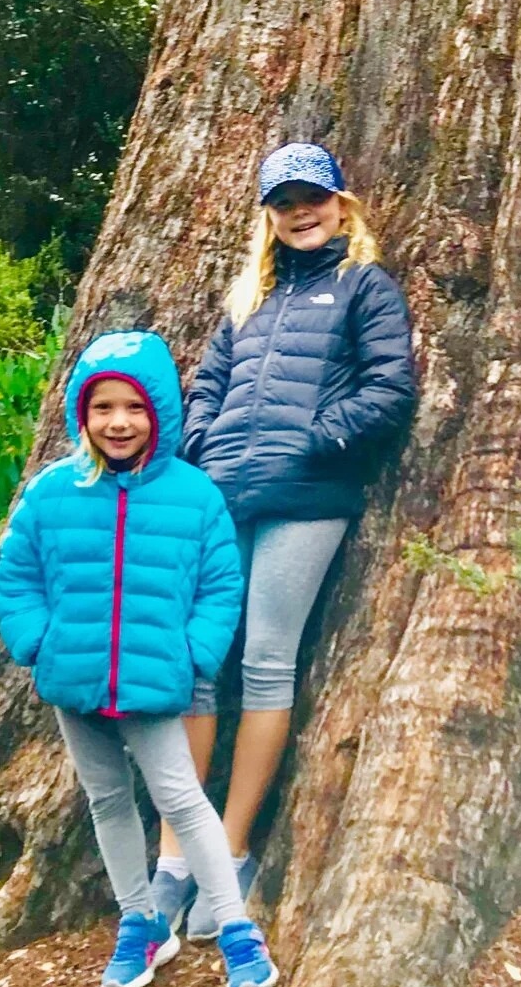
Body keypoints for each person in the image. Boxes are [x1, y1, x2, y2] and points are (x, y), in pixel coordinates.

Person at [153, 143, 418, 941]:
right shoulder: (249, 299)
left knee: (266, 660)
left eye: (313, 197)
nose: (301, 212)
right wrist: (202, 451)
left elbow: (390, 388)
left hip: (308, 497)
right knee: (199, 664)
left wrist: (313, 441)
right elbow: (205, 385)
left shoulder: (364, 286)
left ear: (342, 203)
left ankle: (231, 851)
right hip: (222, 497)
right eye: (284, 201)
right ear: (267, 215)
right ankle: (177, 860)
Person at [0, 328, 282, 987]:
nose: (119, 422)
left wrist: (195, 654)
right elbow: (16, 574)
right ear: (81, 415)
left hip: (156, 682)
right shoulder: (51, 492)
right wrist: (38, 642)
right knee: (107, 800)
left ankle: (238, 932)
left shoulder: (193, 495)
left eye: (134, 407)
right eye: (103, 408)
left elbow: (220, 584)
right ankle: (141, 921)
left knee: (180, 799)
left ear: (159, 413)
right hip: (76, 680)